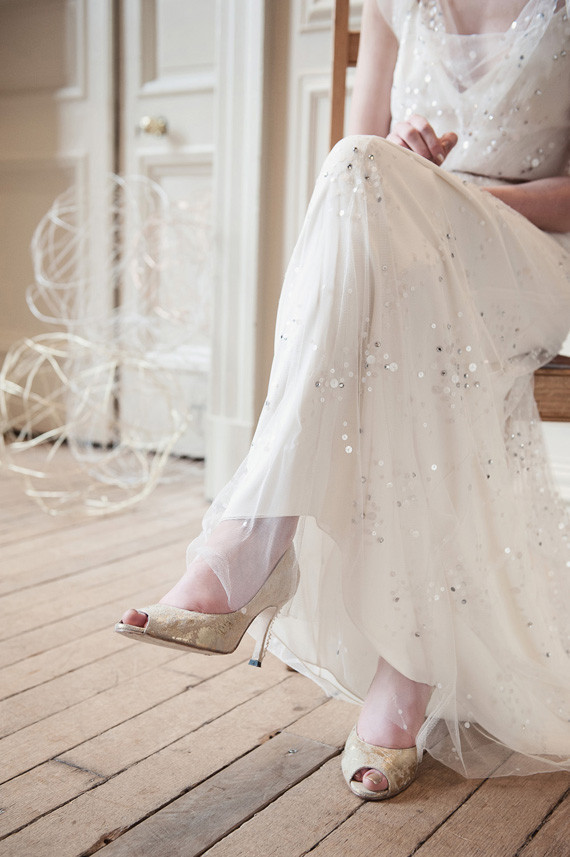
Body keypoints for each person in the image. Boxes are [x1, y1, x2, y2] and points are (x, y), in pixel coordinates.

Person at [116, 0, 570, 800]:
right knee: (364, 176)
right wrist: (408, 179)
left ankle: (254, 537)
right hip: (411, 258)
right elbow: (358, 153)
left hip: (526, 256)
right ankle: (408, 672)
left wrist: (442, 198)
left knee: (386, 220)